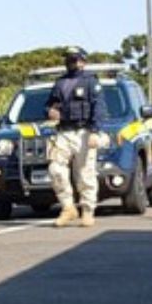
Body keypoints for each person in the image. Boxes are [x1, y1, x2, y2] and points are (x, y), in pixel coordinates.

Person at [45, 47, 107, 228]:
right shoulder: (60, 82)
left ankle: (87, 210)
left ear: (82, 61)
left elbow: (99, 106)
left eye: (74, 59)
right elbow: (49, 104)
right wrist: (50, 111)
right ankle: (68, 207)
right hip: (63, 132)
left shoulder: (91, 81)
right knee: (55, 169)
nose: (71, 63)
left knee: (85, 173)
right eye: (68, 59)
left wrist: (95, 131)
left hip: (84, 132)